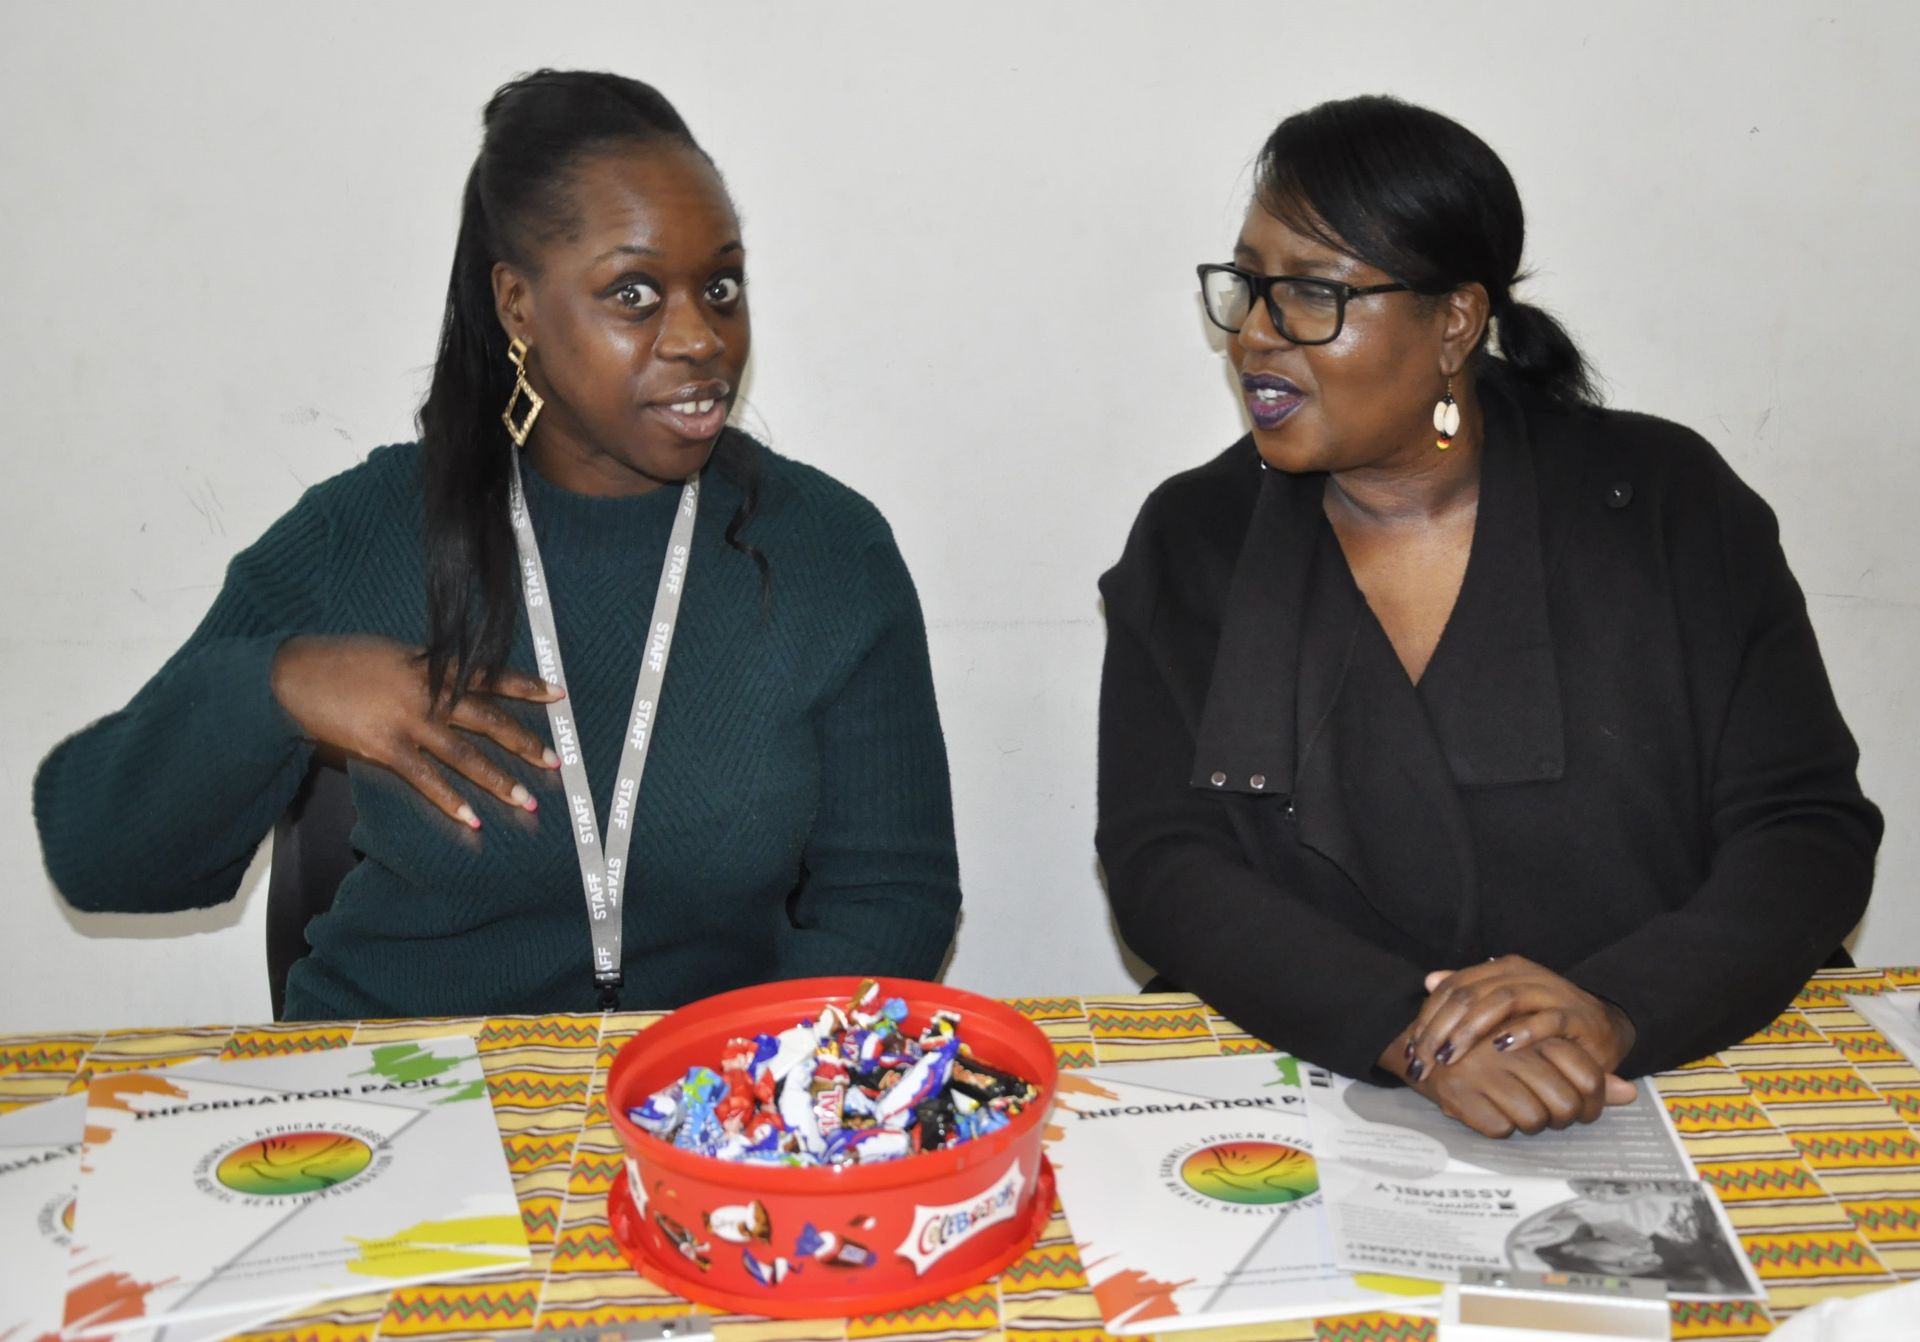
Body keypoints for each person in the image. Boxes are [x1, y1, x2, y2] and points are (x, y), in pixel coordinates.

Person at [33, 70, 961, 1021]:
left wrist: (746, 1085)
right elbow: (96, 851)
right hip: (398, 1095)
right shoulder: (367, 530)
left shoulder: (827, 551)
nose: (699, 338)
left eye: (719, 286)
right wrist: (286, 684)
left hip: (703, 1093)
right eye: (634, 293)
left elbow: (894, 897)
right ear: (518, 307)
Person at [1095, 95, 1879, 1138]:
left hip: (1663, 1068)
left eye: (1313, 296)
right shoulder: (1195, 538)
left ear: (1455, 321)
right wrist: (1408, 1031)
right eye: (1246, 286)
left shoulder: (1663, 503)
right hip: (1334, 1075)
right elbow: (1163, 859)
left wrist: (1611, 1009)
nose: (1254, 335)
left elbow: (1804, 827)